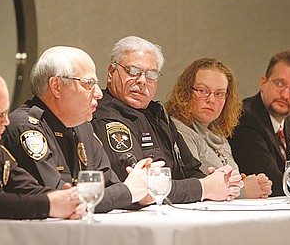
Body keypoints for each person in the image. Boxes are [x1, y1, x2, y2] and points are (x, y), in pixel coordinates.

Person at [1, 46, 161, 213]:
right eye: (89, 84)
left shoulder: (81, 125)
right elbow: (62, 199)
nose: (99, 93)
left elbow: (109, 185)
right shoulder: (25, 127)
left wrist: (139, 194)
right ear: (56, 86)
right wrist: (128, 192)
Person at [91, 36, 243, 203]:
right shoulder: (106, 118)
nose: (142, 81)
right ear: (111, 72)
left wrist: (219, 182)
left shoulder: (157, 114)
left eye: (151, 75)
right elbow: (142, 188)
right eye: (133, 71)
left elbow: (191, 169)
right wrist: (204, 188)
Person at [0, 67, 86, 219]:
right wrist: (48, 204)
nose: (6, 121)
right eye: (0, 114)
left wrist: (67, 199)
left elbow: (25, 187)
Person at [164, 57, 272, 199]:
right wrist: (245, 190)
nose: (211, 100)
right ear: (185, 92)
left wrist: (245, 182)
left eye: (219, 94)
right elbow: (199, 185)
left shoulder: (218, 134)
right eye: (202, 91)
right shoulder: (178, 130)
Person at [228, 51, 290, 196]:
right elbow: (273, 182)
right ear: (263, 83)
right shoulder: (244, 118)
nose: (285, 94)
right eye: (279, 83)